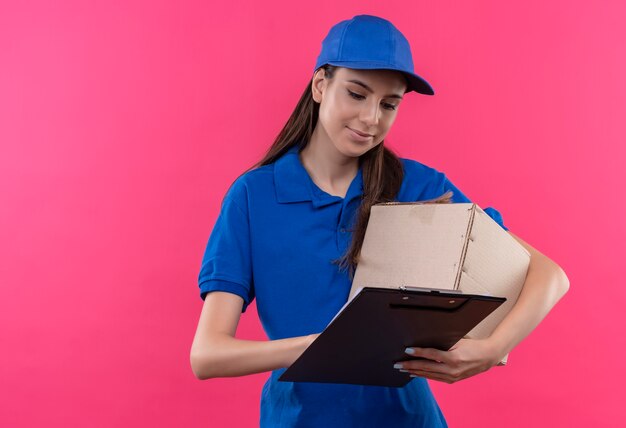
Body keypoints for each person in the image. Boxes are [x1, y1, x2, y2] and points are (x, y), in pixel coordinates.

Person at [190, 14, 570, 427]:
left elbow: (549, 274)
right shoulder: (254, 197)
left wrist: (494, 347)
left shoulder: (417, 187)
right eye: (357, 94)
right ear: (320, 85)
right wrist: (330, 346)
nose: (372, 118)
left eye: (389, 104)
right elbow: (208, 355)